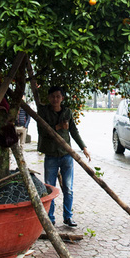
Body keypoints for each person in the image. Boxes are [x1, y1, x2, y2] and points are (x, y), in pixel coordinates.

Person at [37, 86, 91, 227]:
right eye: (53, 96)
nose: (55, 99)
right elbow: (42, 132)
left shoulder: (67, 112)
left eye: (58, 96)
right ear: (49, 98)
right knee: (49, 188)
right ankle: (50, 218)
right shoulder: (44, 112)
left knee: (68, 188)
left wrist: (83, 147)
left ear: (62, 98)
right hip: (51, 155)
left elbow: (74, 131)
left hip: (66, 155)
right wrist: (59, 127)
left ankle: (68, 217)